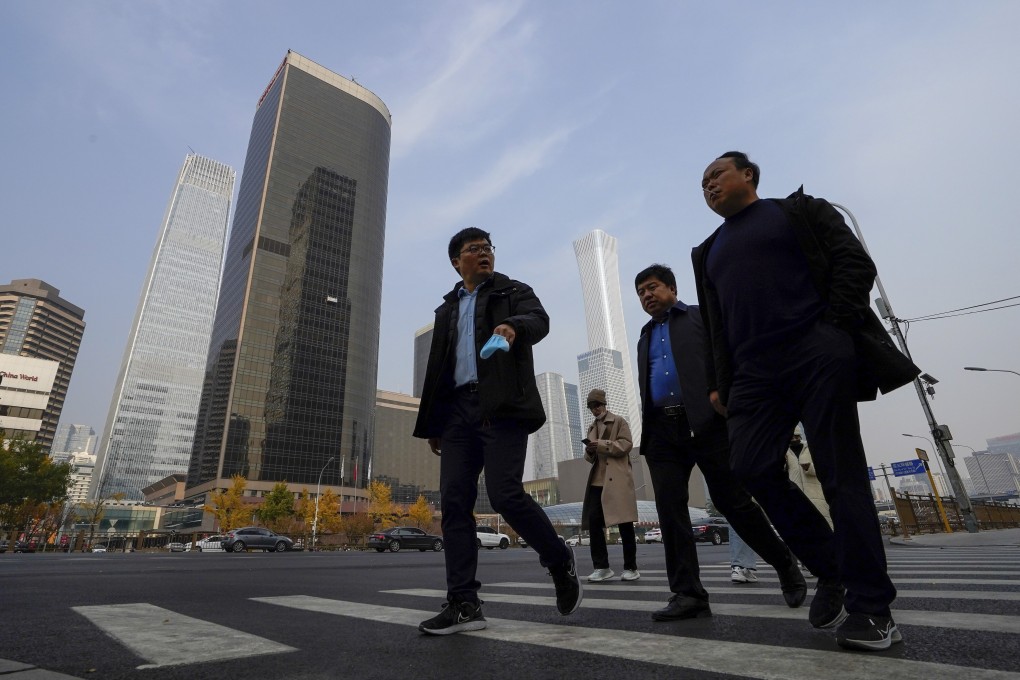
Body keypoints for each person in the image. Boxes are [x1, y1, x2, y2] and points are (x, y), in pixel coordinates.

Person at [693, 151, 908, 651]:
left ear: (748, 174)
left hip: (814, 352)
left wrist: (834, 328)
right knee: (750, 468)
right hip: (752, 376)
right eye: (702, 183)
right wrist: (719, 382)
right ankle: (830, 567)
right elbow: (715, 323)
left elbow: (855, 262)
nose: (708, 186)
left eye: (716, 175)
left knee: (840, 475)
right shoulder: (708, 251)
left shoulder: (798, 210)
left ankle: (873, 609)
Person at [413, 227, 582, 635]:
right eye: (474, 249)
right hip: (457, 413)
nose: (485, 252)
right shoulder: (447, 308)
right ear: (457, 262)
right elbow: (438, 370)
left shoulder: (513, 291)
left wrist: (512, 326)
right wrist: (435, 422)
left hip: (501, 406)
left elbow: (539, 320)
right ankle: (464, 604)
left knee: (505, 493)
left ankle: (557, 558)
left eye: (488, 247)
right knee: (454, 503)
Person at [633, 263, 806, 622]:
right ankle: (688, 594)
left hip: (708, 423)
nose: (647, 295)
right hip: (662, 431)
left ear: (672, 289)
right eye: (641, 292)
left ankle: (784, 563)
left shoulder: (700, 317)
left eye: (652, 287)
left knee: (733, 502)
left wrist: (726, 399)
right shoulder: (644, 335)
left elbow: (727, 357)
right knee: (670, 511)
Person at [580, 388, 640, 583]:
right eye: (591, 407)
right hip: (597, 480)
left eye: (597, 405)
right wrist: (590, 450)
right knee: (594, 522)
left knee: (625, 522)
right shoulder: (591, 427)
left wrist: (602, 444)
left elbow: (626, 444)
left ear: (604, 404)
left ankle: (631, 567)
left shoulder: (619, 421)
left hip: (618, 478)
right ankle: (601, 567)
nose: (594, 409)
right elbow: (589, 458)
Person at [787, 432, 832, 528]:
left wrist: (809, 468)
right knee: (802, 529)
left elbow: (826, 469)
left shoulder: (811, 448)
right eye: (791, 437)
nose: (794, 439)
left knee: (824, 526)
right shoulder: (783, 452)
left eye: (796, 436)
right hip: (796, 498)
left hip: (817, 497)